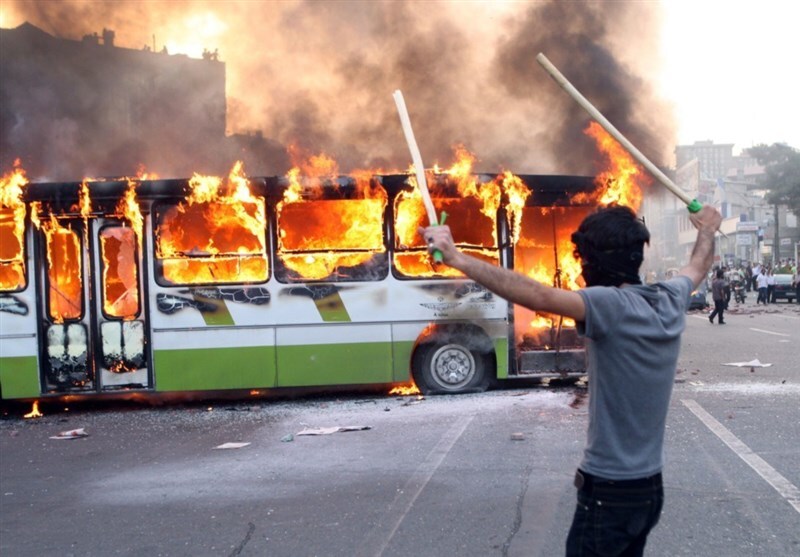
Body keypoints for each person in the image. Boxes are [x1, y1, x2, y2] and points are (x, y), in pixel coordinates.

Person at [421, 203, 721, 557]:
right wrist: (707, 230)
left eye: (582, 259)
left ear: (593, 261)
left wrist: (458, 259)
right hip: (648, 489)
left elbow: (539, 295)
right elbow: (698, 265)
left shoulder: (610, 305)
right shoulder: (669, 299)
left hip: (609, 492)